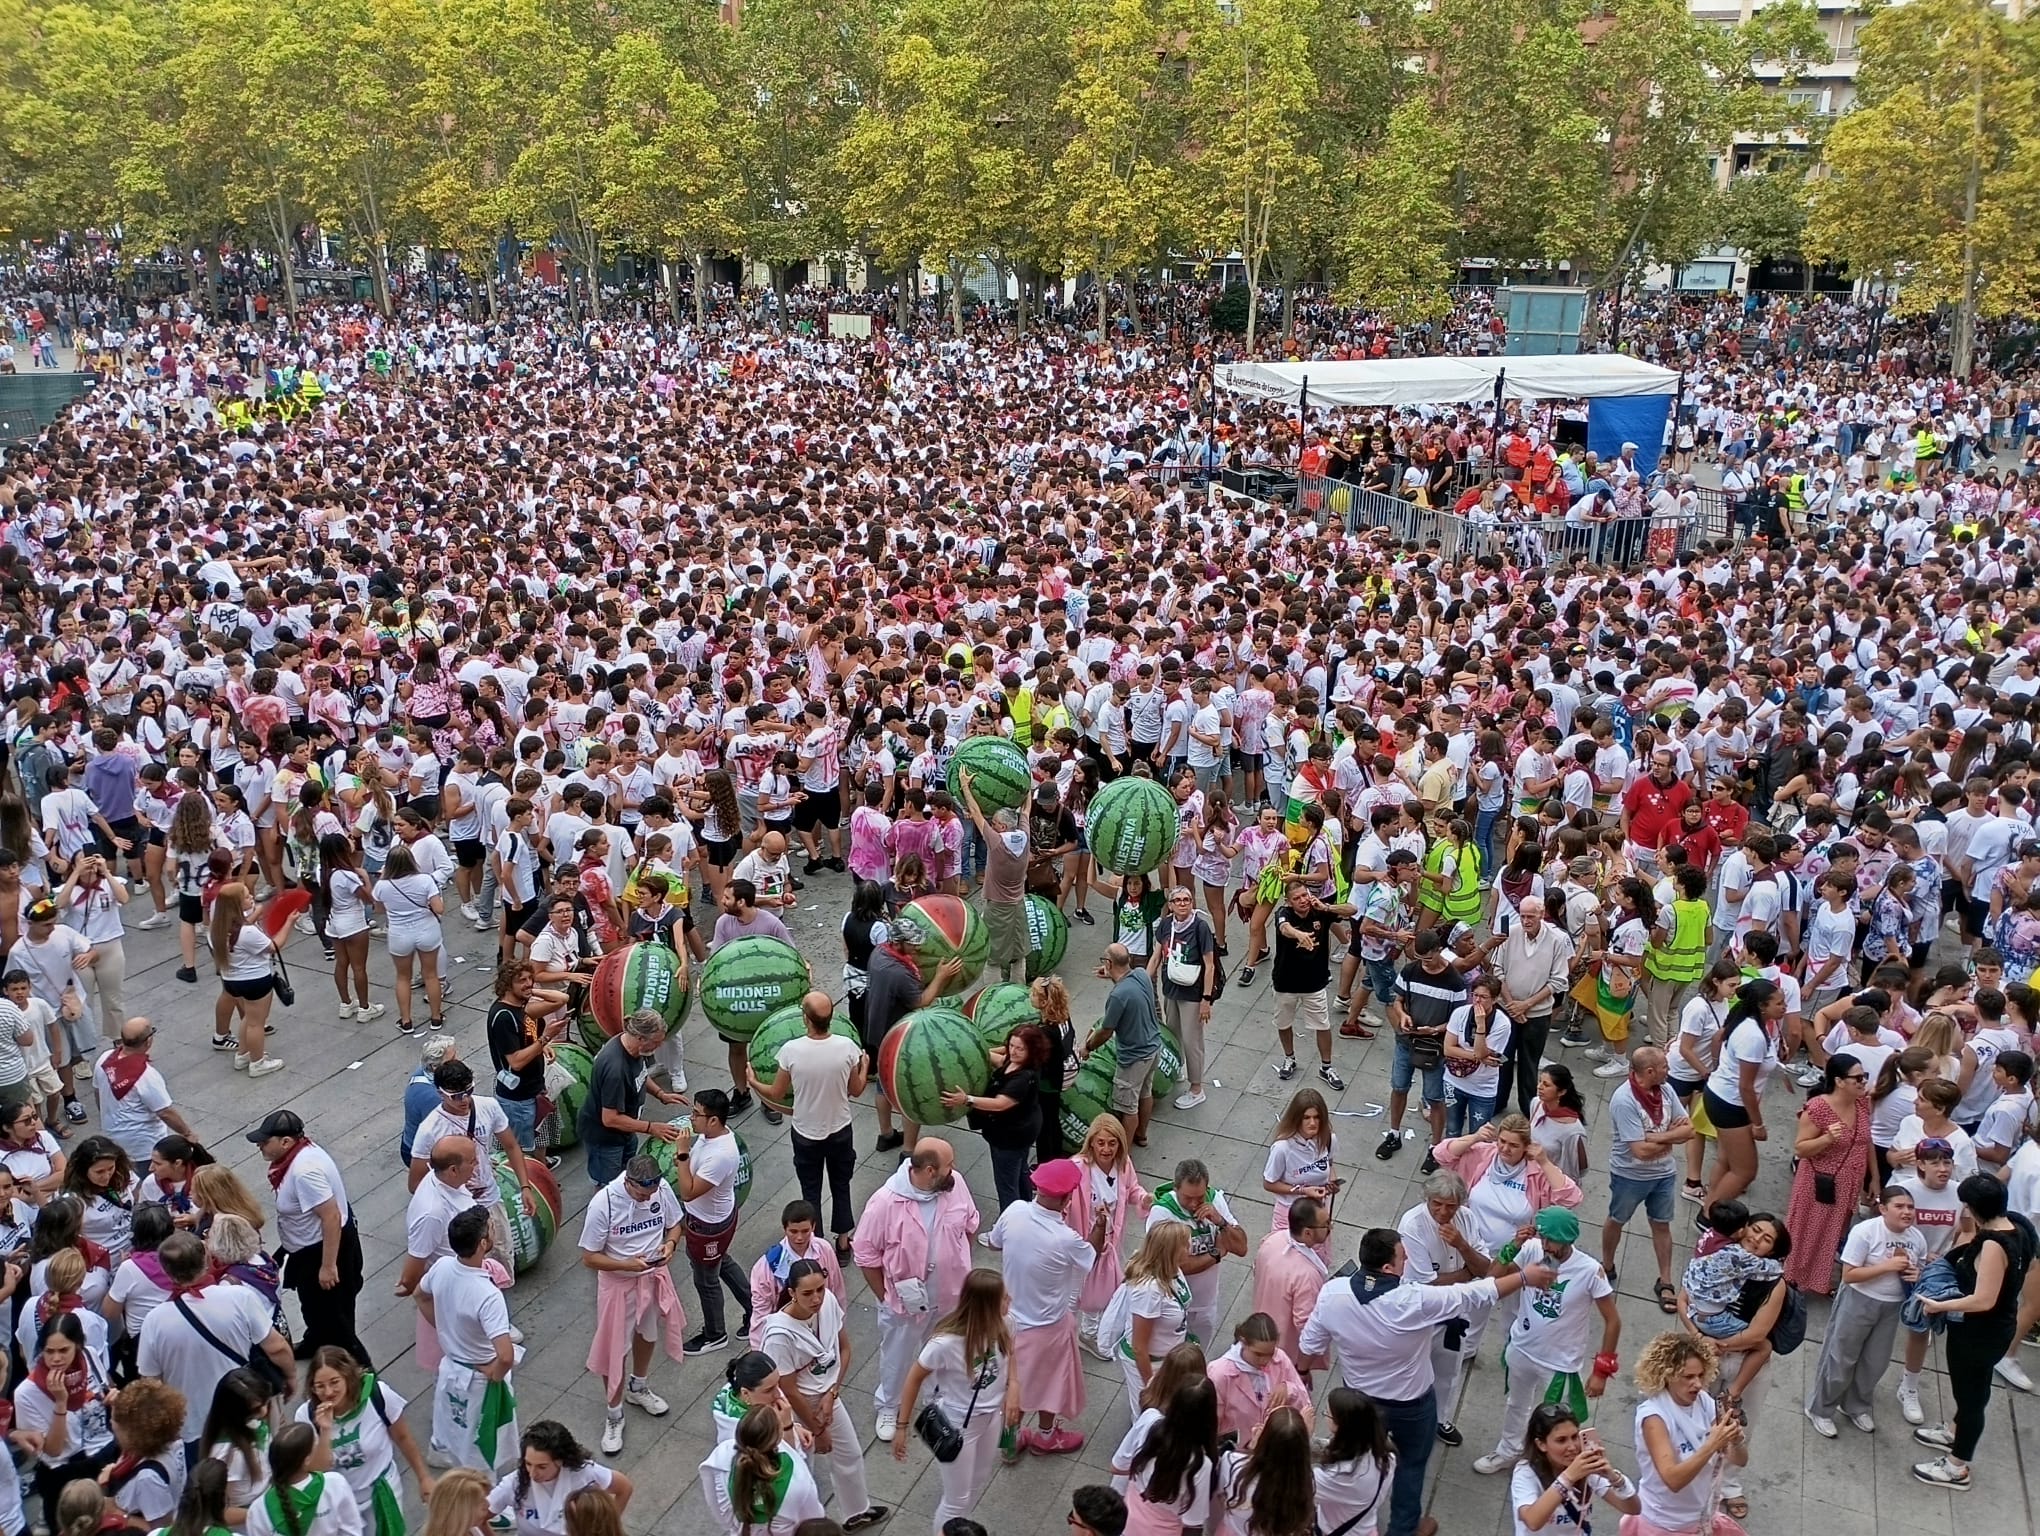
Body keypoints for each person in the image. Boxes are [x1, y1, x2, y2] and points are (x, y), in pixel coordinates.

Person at [1300, 1227, 1558, 1536]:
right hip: (1412, 1403)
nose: (1406, 1259)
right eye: (1402, 1257)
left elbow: (1308, 1345)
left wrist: (1301, 1373)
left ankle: (1351, 1511)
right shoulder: (1415, 1299)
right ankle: (1404, 1528)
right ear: (1387, 1267)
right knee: (1411, 1462)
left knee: (1356, 1456)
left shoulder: (1333, 1294)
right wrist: (1526, 1277)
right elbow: (1479, 1293)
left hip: (1360, 1401)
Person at [1910, 1173, 2038, 1490]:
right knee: (1971, 1392)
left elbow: (1983, 1300)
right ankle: (1954, 1433)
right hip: (1998, 1327)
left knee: (1971, 1399)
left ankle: (1957, 1466)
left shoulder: (1994, 1245)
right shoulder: (2019, 1226)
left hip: (1979, 1333)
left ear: (1975, 1208)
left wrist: (1938, 1305)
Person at [1469, 1207, 1620, 1473]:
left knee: (1558, 1423)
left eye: (1551, 1239)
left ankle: (1554, 1469)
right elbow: (1492, 1279)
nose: (1545, 1244)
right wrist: (1513, 1245)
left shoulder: (1589, 1270)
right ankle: (1509, 1450)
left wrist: (1601, 1371)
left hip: (1559, 1363)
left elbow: (1613, 1321)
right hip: (1522, 1348)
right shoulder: (1531, 1250)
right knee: (1516, 1404)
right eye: (1543, 1237)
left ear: (1567, 1239)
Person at [852, 1138, 978, 1443]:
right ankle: (889, 1405)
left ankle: (934, 1397)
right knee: (897, 1355)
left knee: (942, 1349)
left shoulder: (955, 1184)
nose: (955, 1171)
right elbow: (866, 1255)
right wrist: (885, 1296)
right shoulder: (884, 1203)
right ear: (931, 1171)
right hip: (903, 1304)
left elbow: (970, 1226)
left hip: (948, 1296)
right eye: (949, 1166)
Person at [755, 1260, 889, 1531]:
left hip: (827, 1395)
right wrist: (818, 1430)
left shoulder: (827, 1301)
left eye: (820, 1289)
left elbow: (845, 1349)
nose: (816, 1298)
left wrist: (832, 1393)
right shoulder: (780, 1335)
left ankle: (856, 1512)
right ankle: (799, 1528)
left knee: (849, 1454)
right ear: (791, 1292)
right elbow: (789, 1389)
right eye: (807, 1293)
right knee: (801, 1473)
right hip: (796, 1408)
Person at [984, 1157, 1102, 1456]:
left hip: (1008, 1320)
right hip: (1048, 1327)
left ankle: (1009, 1444)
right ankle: (1047, 1435)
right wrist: (1102, 1223)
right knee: (1051, 1384)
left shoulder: (1014, 1211)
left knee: (1016, 1386)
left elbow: (995, 1243)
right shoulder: (1065, 1239)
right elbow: (1092, 1255)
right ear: (1067, 1198)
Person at [137, 1231, 296, 1448]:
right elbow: (277, 1348)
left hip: (194, 1428)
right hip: (245, 1412)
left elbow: (151, 1383)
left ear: (167, 1272)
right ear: (206, 1258)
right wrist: (291, 1377)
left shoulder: (153, 1321)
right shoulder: (239, 1297)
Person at [891, 1270, 1020, 1534]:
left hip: (991, 1416)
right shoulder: (945, 1343)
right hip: (959, 1424)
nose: (1010, 1301)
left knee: (978, 1480)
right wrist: (901, 1426)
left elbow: (1011, 1353)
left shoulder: (1006, 1323)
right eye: (1004, 1298)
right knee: (955, 1501)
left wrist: (1014, 1387)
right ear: (987, 1305)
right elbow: (913, 1378)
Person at [577, 1154, 685, 1454]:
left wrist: (671, 1244)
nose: (646, 1198)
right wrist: (625, 1263)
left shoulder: (661, 1190)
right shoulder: (604, 1204)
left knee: (647, 1334)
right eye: (641, 1194)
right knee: (614, 1350)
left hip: (652, 1275)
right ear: (628, 1182)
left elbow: (676, 1224)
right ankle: (614, 1414)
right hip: (618, 1285)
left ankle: (639, 1386)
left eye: (650, 1194)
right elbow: (589, 1257)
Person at [751, 990, 866, 1257]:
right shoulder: (847, 1047)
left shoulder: (791, 1051)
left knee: (810, 1189)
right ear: (831, 1017)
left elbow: (776, 1093)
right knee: (841, 1184)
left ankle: (818, 1243)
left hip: (805, 1133)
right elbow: (857, 1090)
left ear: (806, 1019)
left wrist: (753, 1081)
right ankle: (844, 1241)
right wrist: (863, 1067)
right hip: (840, 1129)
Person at [250, 1110, 369, 1366]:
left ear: (286, 1142)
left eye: (265, 1140)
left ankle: (359, 1369)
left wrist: (328, 1266)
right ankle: (315, 1341)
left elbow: (331, 1217)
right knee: (313, 1309)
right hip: (307, 1249)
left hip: (322, 1252)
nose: (259, 1145)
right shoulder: (300, 1153)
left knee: (335, 1318)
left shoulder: (305, 1172)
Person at [1804, 1185, 1924, 1439]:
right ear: (1883, 1209)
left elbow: (1918, 1271)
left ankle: (1856, 1406)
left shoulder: (1917, 1239)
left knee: (1875, 1361)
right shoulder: (1865, 1232)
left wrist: (1916, 1275)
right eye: (1899, 1206)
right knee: (1840, 1357)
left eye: (1910, 1207)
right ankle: (1821, 1409)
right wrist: (1887, 1266)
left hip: (1892, 1306)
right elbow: (1850, 1275)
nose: (1906, 1212)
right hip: (1859, 1300)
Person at [407, 1057, 536, 1288]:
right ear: (440, 1093)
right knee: (466, 1275)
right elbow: (415, 1183)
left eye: (469, 1091)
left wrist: (525, 1186)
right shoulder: (429, 1130)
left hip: (489, 1197)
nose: (465, 1100)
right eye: (456, 1096)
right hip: (457, 1211)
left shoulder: (488, 1106)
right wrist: (451, 1191)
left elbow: (511, 1146)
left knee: (500, 1259)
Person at [415, 1207, 518, 1475]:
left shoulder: (442, 1267)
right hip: (480, 1380)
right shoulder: (487, 1294)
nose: (493, 1230)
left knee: (454, 1430)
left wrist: (444, 1326)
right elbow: (505, 1355)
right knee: (482, 1447)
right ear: (483, 1243)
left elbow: (420, 1294)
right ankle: (487, 1506)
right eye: (490, 1229)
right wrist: (495, 1374)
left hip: (451, 1369)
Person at [299, 1346, 433, 1536]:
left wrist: (424, 1478)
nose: (328, 1392)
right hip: (339, 1502)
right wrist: (325, 1430)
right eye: (320, 1386)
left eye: (334, 1382)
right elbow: (316, 1469)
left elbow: (403, 1437)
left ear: (347, 1376)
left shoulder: (378, 1396)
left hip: (381, 1490)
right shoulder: (306, 1415)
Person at [1602, 1046, 1693, 1311]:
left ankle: (1665, 1281)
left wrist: (1656, 1138)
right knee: (1617, 1219)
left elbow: (1689, 1130)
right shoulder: (1624, 1100)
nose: (1669, 1070)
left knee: (1662, 1225)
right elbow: (1639, 1152)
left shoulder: (1666, 1090)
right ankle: (1606, 1264)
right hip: (1629, 1175)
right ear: (1650, 1071)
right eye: (1665, 1066)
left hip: (1664, 1173)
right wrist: (1670, 1139)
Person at [1631, 1333, 1745, 1536]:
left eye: (1701, 1375)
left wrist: (1735, 1439)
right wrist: (1712, 1444)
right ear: (1667, 1375)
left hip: (1702, 1515)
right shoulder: (1654, 1417)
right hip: (1666, 1523)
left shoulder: (1705, 1402)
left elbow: (1740, 1460)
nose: (1698, 1384)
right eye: (1688, 1377)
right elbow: (1673, 1479)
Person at [1783, 1053, 1877, 1296]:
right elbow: (1801, 1148)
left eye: (1864, 1076)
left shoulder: (1861, 1104)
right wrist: (1827, 1138)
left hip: (1849, 1182)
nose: (1862, 1082)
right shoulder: (1818, 1108)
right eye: (1857, 1078)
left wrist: (1873, 1177)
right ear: (1839, 1081)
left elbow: (1866, 1142)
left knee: (1833, 1232)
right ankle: (1791, 1277)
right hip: (1820, 1181)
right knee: (1807, 1228)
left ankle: (1818, 1279)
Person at [669, 1088, 751, 1353]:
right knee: (722, 1262)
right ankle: (756, 1308)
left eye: (697, 1114)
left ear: (714, 1120)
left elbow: (689, 1191)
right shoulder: (710, 1137)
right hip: (714, 1217)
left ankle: (715, 1334)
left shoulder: (721, 1155)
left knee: (706, 1279)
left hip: (708, 1225)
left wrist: (682, 1155)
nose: (691, 1118)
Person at [1145, 1157, 1247, 1354]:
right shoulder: (1162, 1213)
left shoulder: (1215, 1199)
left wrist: (1221, 1222)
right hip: (1172, 1306)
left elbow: (1241, 1248)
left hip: (1205, 1302)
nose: (1194, 1204)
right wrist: (1216, 1254)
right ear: (1176, 1189)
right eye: (1187, 1198)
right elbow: (1178, 1265)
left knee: (1197, 1359)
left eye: (1199, 1198)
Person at [1380, 929, 1464, 1164]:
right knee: (1399, 1087)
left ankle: (1436, 1147)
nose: (1424, 964)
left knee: (1434, 1098)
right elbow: (1398, 1000)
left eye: (1428, 959)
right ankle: (1394, 1134)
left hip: (1435, 1047)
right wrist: (1402, 1015)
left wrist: (1436, 1029)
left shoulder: (1455, 982)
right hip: (1406, 1042)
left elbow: (1458, 1021)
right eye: (1420, 959)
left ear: (1439, 951)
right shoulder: (1410, 971)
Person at [941, 1024, 1046, 1211]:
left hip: (1009, 1137)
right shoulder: (1016, 1062)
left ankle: (1010, 1228)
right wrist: (967, 1049)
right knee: (1020, 1171)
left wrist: (966, 1100)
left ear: (1031, 1050)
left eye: (1019, 1048)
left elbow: (1000, 1104)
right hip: (1022, 1131)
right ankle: (1028, 1211)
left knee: (1006, 1185)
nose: (1013, 1051)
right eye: (1011, 1045)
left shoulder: (1022, 1079)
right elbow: (997, 1059)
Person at [578, 1009, 685, 1187]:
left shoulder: (633, 1047)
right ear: (641, 1038)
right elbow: (610, 1118)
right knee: (610, 1186)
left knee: (628, 1178)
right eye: (656, 1043)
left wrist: (661, 1094)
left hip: (626, 1131)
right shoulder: (615, 1069)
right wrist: (652, 1127)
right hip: (606, 1140)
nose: (658, 1048)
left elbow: (640, 1075)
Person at [1109, 1375, 1220, 1536]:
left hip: (1128, 1521)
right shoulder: (1201, 1465)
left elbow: (1118, 1466)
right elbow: (1193, 1524)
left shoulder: (1149, 1422)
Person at [1508, 1402, 1640, 1536]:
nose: (1572, 1447)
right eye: (1561, 1440)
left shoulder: (1586, 1467)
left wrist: (1616, 1479)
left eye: (1574, 1437)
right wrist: (1567, 1478)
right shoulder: (1526, 1472)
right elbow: (1532, 1521)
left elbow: (1633, 1509)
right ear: (1541, 1444)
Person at [1267, 885, 1351, 1090]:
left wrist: (1327, 908)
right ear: (1289, 902)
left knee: (1322, 1025)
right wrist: (1298, 935)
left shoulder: (1320, 911)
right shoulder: (1283, 913)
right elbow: (1284, 927)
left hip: (1315, 983)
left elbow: (1352, 910)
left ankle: (1326, 1067)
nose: (1303, 900)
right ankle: (1289, 1058)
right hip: (1285, 982)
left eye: (1305, 895)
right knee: (1283, 1022)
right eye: (1297, 898)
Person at [486, 960, 571, 1158]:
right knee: (524, 1151)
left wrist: (531, 991)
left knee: (539, 1144)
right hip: (518, 1099)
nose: (528, 983)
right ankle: (533, 1181)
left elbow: (561, 998)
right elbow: (515, 1062)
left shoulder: (523, 1009)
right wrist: (545, 1039)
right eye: (521, 981)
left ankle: (542, 1171)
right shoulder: (504, 1016)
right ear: (507, 985)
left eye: (530, 979)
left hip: (535, 1089)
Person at [488, 1422, 633, 1536]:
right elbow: (478, 1513)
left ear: (560, 1460)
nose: (532, 1473)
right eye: (528, 1464)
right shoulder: (514, 1483)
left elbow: (624, 1488)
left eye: (542, 1467)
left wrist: (606, 1526)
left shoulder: (585, 1472)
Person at [698, 1405, 822, 1536]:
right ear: (778, 1436)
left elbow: (714, 1501)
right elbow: (814, 1523)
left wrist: (733, 1528)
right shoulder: (799, 1480)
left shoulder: (721, 1456)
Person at [1083, 945, 1162, 1148]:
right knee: (1145, 1093)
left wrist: (1088, 1047)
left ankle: (1124, 1156)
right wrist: (1110, 973)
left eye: (1104, 961)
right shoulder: (1141, 975)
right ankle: (1142, 1135)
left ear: (1109, 963)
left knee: (1128, 1107)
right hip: (1153, 1049)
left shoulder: (1118, 995)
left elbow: (1106, 1031)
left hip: (1133, 1058)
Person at [1148, 886, 1216, 1108]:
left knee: (1191, 1040)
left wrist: (1206, 999)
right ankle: (1176, 1068)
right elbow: (1156, 955)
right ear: (1171, 904)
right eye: (1177, 900)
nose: (1183, 903)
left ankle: (1197, 1088)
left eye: (1187, 899)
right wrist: (1145, 982)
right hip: (1171, 989)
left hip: (1192, 993)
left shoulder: (1200, 927)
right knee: (1173, 1034)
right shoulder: (1167, 924)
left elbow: (1209, 965)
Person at [92, 1017, 195, 1165]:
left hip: (113, 1138)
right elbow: (165, 1112)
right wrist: (187, 1133)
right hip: (143, 1146)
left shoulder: (104, 1059)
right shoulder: (147, 1076)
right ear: (148, 1041)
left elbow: (97, 1092)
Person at [206, 885, 286, 1076]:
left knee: (249, 1018)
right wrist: (289, 922)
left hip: (232, 979)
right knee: (256, 1023)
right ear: (236, 904)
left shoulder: (215, 929)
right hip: (255, 980)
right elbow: (274, 946)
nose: (252, 898)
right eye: (247, 897)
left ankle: (243, 1053)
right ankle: (258, 1062)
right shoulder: (246, 932)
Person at [957, 774, 1027, 983]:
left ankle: (992, 996)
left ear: (1003, 827)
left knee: (993, 958)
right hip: (1018, 904)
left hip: (998, 906)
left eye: (995, 823)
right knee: (1018, 954)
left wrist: (965, 786)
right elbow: (1026, 810)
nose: (992, 825)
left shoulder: (996, 843)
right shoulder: (1025, 835)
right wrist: (1026, 787)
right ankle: (1019, 990)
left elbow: (977, 814)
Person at [1206, 1313, 1312, 1450]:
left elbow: (1306, 1406)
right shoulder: (1219, 1373)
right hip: (1238, 1454)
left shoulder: (1280, 1359)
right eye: (1258, 1354)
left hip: (1274, 1449)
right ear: (1243, 1342)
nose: (1265, 1361)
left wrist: (1289, 1389)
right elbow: (1211, 1424)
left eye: (1270, 1353)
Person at [103, 1374, 190, 1530]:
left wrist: (116, 1512)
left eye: (115, 1421)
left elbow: (162, 1529)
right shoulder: (173, 1442)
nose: (111, 1421)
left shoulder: (148, 1478)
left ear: (133, 1433)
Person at [248, 1422, 364, 1536]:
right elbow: (352, 1531)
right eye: (316, 1446)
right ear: (307, 1460)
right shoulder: (335, 1484)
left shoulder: (259, 1509)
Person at [1312, 1388, 1394, 1536]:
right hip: (1365, 1527)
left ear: (1339, 1425)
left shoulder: (1341, 1476)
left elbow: (1295, 1485)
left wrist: (1298, 1438)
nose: (1324, 1415)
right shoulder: (1386, 1454)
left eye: (1327, 1413)